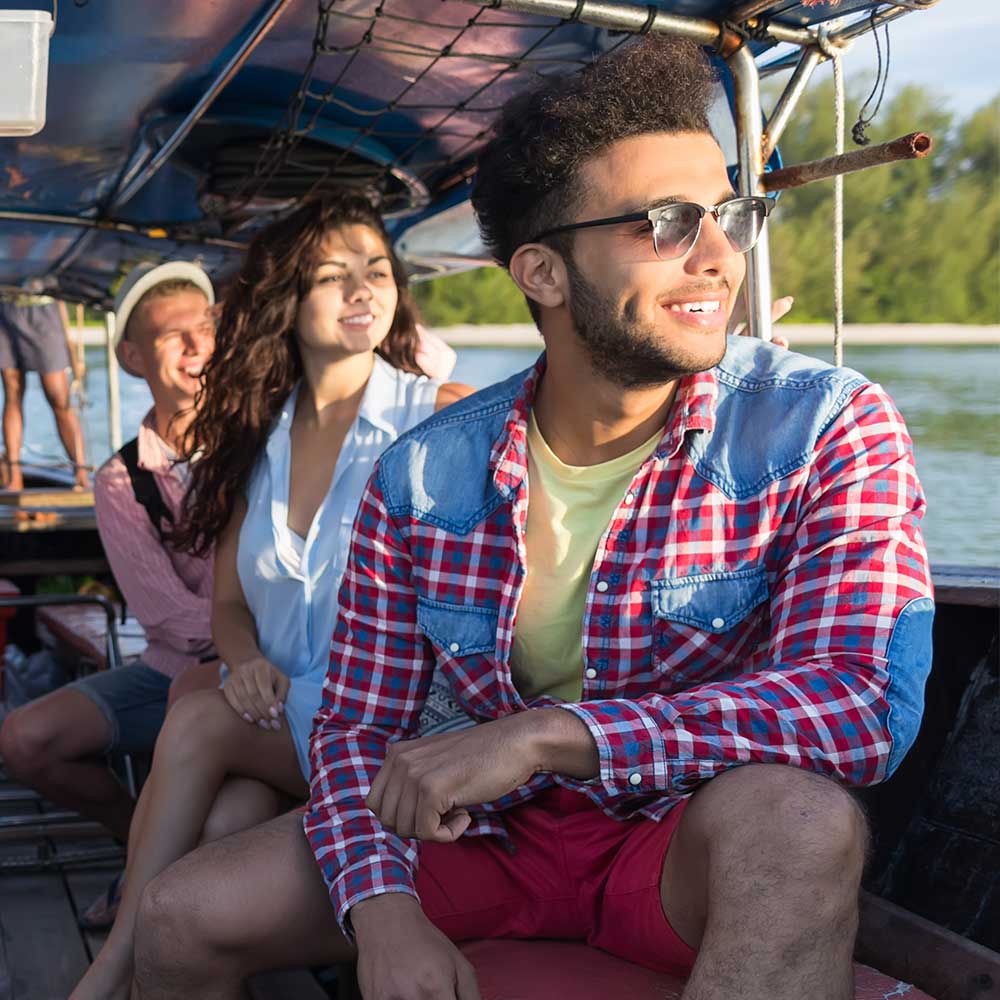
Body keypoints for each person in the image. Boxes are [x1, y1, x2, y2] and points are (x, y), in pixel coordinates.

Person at [128, 38, 933, 1000]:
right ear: (543, 273)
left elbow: (861, 705)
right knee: (183, 916)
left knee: (804, 822)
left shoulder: (824, 425)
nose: (720, 256)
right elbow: (353, 730)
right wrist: (381, 916)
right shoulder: (425, 472)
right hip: (494, 837)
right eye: (668, 223)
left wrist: (554, 734)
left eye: (729, 215)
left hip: (676, 840)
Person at [70, 192, 472, 1000]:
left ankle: (109, 970)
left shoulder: (441, 420)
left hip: (387, 735)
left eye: (377, 271)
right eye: (333, 275)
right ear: (286, 302)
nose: (364, 290)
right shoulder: (259, 438)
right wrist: (245, 658)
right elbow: (227, 608)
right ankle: (142, 964)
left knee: (195, 720)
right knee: (215, 824)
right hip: (279, 717)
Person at [0, 263, 223, 922]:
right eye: (171, 335)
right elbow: (171, 620)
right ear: (131, 358)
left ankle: (157, 871)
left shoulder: (267, 443)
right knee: (24, 739)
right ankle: (145, 850)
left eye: (205, 330)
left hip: (270, 671)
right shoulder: (121, 479)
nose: (196, 347)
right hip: (172, 672)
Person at [0, 294, 88, 490]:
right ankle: (14, 477)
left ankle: (81, 472)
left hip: (44, 308)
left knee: (59, 399)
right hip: (6, 306)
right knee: (12, 393)